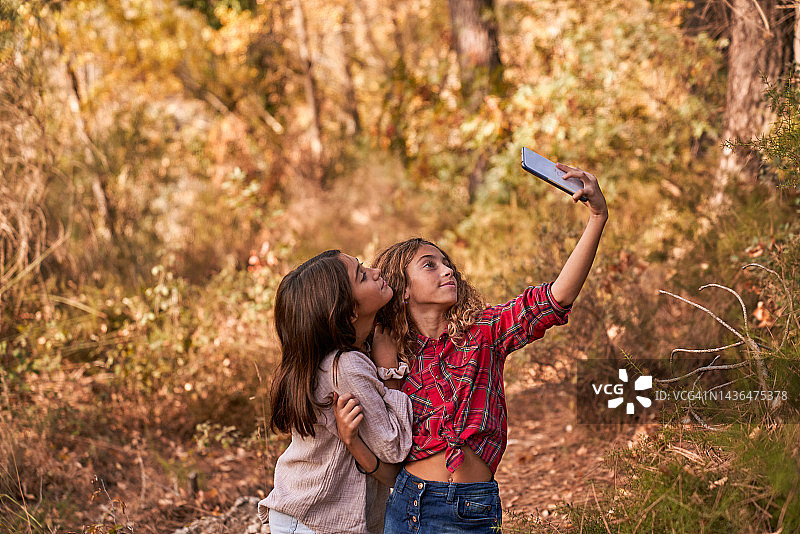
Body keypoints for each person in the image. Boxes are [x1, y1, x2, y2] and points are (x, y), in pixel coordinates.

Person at [342, 163, 608, 532]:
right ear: (403, 289)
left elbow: (556, 298)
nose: (447, 271)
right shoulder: (390, 351)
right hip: (409, 504)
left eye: (447, 264)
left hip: (474, 507)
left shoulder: (485, 332)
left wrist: (597, 216)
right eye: (429, 266)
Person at [259, 250, 414, 534]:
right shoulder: (346, 367)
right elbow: (394, 446)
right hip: (316, 519)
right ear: (350, 310)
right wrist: (390, 371)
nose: (375, 272)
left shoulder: (337, 359)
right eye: (362, 275)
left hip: (302, 513)